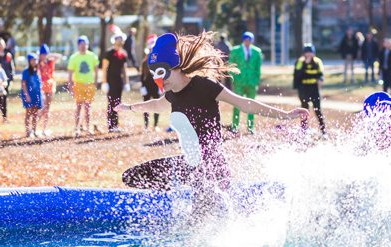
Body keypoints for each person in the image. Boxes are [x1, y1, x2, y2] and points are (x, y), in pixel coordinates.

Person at [115, 32, 308, 198]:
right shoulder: (172, 94)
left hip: (212, 168)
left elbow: (245, 104)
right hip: (191, 166)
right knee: (133, 176)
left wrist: (286, 115)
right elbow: (157, 104)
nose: (159, 80)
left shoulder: (204, 86)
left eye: (162, 72)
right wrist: (130, 108)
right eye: (154, 74)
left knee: (203, 221)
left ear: (177, 66)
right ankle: (175, 202)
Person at [229, 31, 263, 134]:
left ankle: (250, 127)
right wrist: (233, 79)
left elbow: (258, 68)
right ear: (243, 40)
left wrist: (256, 80)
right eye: (246, 40)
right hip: (239, 82)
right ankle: (235, 126)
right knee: (237, 104)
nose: (247, 42)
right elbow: (231, 65)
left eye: (249, 40)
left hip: (251, 83)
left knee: (251, 105)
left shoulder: (257, 52)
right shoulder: (235, 51)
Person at [67, 35, 99, 136]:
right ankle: (76, 128)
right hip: (78, 85)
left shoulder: (92, 56)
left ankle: (88, 127)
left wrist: (96, 82)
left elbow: (96, 70)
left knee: (88, 107)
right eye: (81, 44)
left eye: (85, 44)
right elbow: (70, 73)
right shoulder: (74, 57)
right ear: (78, 45)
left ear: (88, 45)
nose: (83, 46)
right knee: (79, 106)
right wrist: (70, 85)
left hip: (89, 84)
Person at [293, 43, 327, 137]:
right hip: (304, 89)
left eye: (310, 53)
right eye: (306, 53)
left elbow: (321, 74)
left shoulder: (317, 61)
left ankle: (323, 131)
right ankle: (304, 130)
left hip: (314, 88)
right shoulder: (300, 62)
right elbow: (297, 74)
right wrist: (305, 64)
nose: (308, 55)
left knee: (318, 110)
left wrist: (320, 79)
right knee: (304, 109)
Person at [102, 31, 130, 132]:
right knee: (111, 103)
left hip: (119, 82)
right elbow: (104, 68)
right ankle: (110, 126)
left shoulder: (123, 54)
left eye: (121, 39)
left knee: (118, 103)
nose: (119, 41)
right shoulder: (109, 53)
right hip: (110, 81)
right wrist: (104, 82)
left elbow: (124, 69)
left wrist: (126, 82)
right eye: (118, 39)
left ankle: (116, 125)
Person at [37, 44, 62, 137]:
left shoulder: (50, 62)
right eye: (42, 54)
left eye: (45, 54)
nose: (43, 56)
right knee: (42, 108)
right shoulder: (38, 63)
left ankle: (44, 128)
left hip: (50, 86)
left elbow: (59, 56)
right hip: (42, 87)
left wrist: (49, 55)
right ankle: (35, 127)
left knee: (47, 108)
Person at [140, 34, 162, 131]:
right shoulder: (144, 62)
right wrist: (142, 87)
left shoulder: (159, 61)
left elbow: (161, 74)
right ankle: (146, 126)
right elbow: (142, 75)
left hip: (156, 86)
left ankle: (155, 125)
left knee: (157, 106)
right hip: (147, 87)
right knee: (146, 106)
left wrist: (161, 86)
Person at [21, 53, 43, 138]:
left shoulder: (37, 70)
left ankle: (34, 130)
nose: (35, 61)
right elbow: (23, 84)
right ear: (29, 61)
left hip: (36, 94)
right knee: (28, 113)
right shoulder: (26, 71)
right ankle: (27, 131)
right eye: (33, 60)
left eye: (36, 60)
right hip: (29, 95)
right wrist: (26, 95)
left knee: (35, 114)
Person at [0, 38, 14, 123]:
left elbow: (11, 68)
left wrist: (11, 79)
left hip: (5, 81)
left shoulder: (8, 55)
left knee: (4, 100)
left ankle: (4, 117)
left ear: (5, 45)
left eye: (2, 44)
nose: (0, 46)